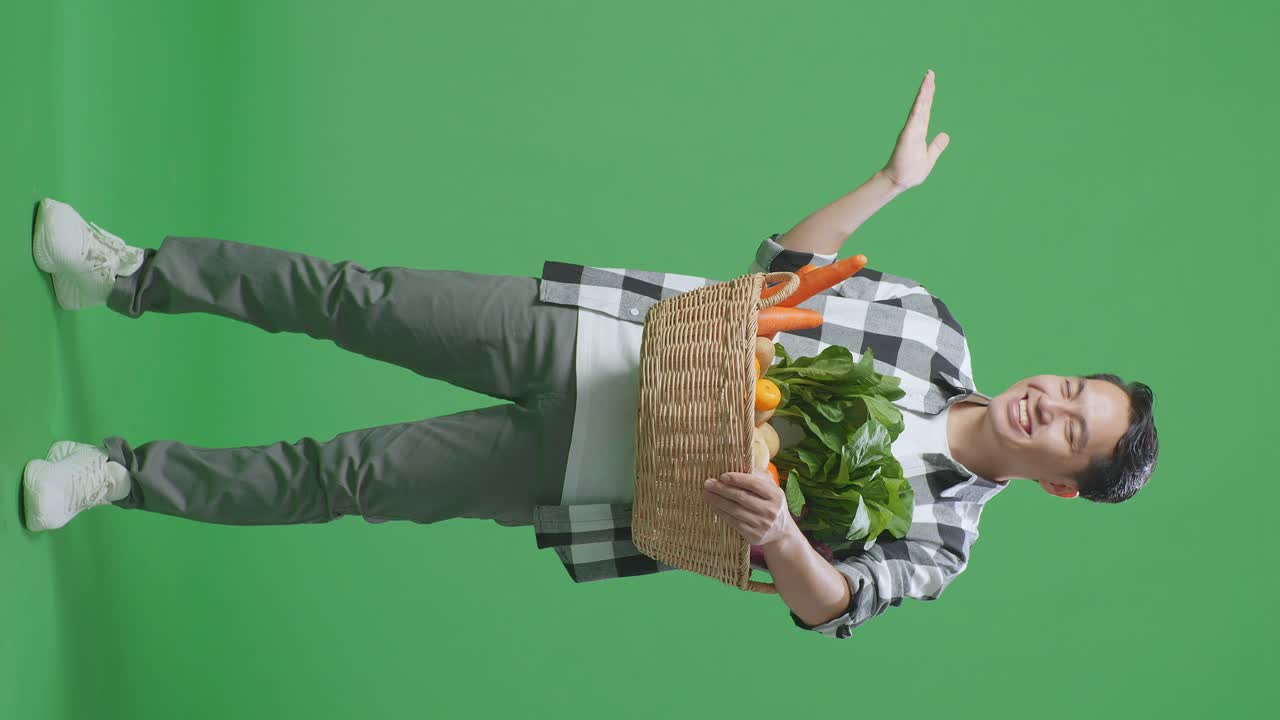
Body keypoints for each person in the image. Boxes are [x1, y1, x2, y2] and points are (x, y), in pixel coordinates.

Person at [23, 69, 1159, 640]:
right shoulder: (933, 329)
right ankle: (127, 276)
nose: (1046, 403)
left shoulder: (944, 540)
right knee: (351, 297)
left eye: (1071, 427)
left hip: (594, 477)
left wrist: (780, 543)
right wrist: (885, 187)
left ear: (1062, 480)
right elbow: (782, 271)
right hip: (600, 338)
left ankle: (119, 475)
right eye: (1066, 387)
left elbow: (834, 608)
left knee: (345, 479)